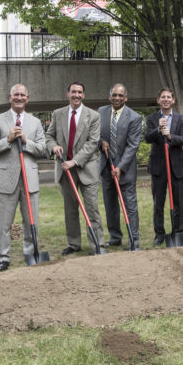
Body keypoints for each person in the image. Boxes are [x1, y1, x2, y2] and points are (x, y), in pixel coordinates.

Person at [0, 84, 47, 271]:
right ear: (10, 97)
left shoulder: (35, 122)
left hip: (29, 180)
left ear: (27, 98)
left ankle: (31, 254)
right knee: (4, 224)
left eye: (22, 95)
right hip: (6, 181)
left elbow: (42, 148)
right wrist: (8, 140)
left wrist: (27, 142)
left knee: (31, 221)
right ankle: (3, 257)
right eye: (16, 95)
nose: (19, 98)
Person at [45, 82, 107, 255]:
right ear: (68, 94)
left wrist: (75, 161)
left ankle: (98, 245)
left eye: (80, 92)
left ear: (83, 95)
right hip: (65, 170)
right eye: (73, 92)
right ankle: (74, 244)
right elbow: (49, 135)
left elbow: (93, 142)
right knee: (70, 209)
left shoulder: (93, 116)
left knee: (92, 208)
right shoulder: (58, 114)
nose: (76, 95)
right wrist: (53, 146)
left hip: (86, 168)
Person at [98, 83, 142, 249]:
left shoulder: (134, 117)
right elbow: (94, 135)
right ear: (109, 96)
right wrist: (100, 142)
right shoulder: (101, 112)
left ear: (126, 98)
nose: (117, 98)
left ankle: (134, 240)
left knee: (130, 207)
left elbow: (133, 146)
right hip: (106, 167)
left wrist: (120, 167)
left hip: (125, 170)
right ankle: (115, 237)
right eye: (114, 95)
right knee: (110, 206)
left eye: (120, 95)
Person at [145, 88, 183, 245]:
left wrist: (170, 136)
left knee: (178, 202)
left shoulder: (181, 119)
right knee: (158, 203)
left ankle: (177, 232)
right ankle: (159, 234)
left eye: (168, 97)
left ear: (173, 100)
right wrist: (158, 129)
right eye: (162, 97)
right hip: (158, 167)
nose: (165, 99)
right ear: (158, 100)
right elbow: (147, 138)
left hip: (176, 167)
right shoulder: (151, 118)